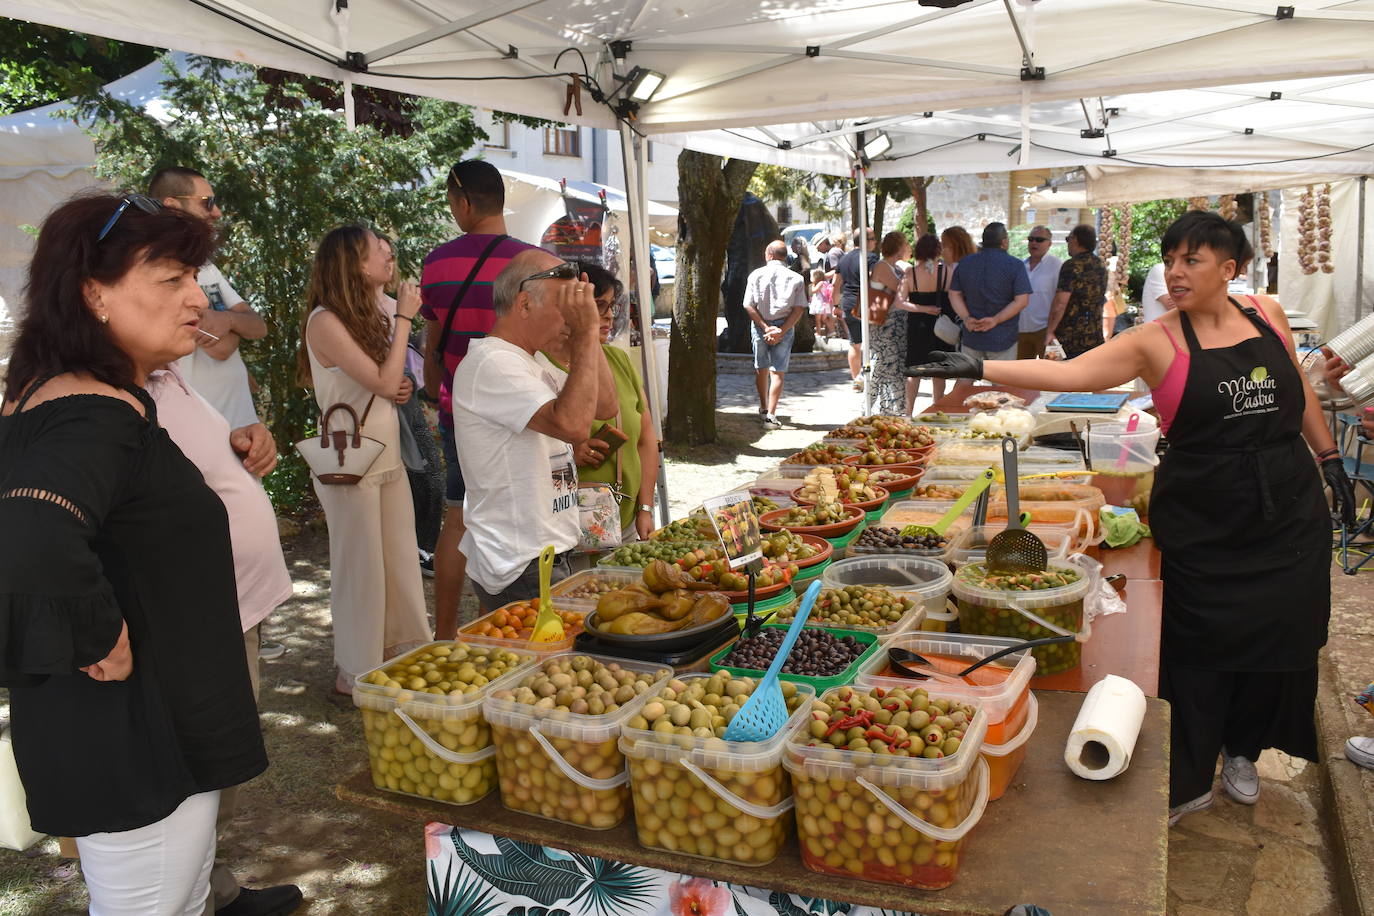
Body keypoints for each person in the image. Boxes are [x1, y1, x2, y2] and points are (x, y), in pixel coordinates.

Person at [909, 210, 1355, 825]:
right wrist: (981, 367)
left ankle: (1243, 750)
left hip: (1287, 509)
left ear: (1229, 269)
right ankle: (1190, 771)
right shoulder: (1157, 339)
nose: (1173, 272)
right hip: (1206, 514)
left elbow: (1302, 392)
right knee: (1199, 645)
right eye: (1168, 259)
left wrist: (1328, 454)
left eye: (1190, 260)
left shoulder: (1266, 314)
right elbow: (1070, 372)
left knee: (1283, 637)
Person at [0, 193, 268, 913]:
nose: (196, 298)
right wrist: (94, 629)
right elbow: (26, 532)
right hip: (134, 743)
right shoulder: (88, 410)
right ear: (93, 292)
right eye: (172, 278)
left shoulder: (75, 396)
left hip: (149, 738)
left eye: (196, 278)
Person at [145, 365, 300, 916]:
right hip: (193, 627)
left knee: (217, 779)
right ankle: (197, 899)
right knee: (193, 783)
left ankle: (214, 890)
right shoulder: (95, 389)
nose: (196, 298)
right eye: (172, 280)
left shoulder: (162, 371)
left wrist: (240, 439)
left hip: (230, 612)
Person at [299, 225, 431, 695]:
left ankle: (402, 650)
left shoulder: (378, 310)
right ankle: (354, 670)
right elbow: (380, 380)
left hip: (385, 449)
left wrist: (401, 380)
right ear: (352, 262)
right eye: (379, 250)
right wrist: (404, 321)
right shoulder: (324, 320)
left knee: (398, 559)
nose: (389, 256)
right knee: (360, 566)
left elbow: (395, 378)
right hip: (348, 456)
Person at [451, 250, 618, 610]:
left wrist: (584, 335)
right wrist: (587, 330)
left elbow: (605, 406)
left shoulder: (531, 360)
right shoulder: (492, 362)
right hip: (521, 561)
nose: (572, 316)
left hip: (545, 553)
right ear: (524, 304)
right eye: (565, 305)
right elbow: (573, 426)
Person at [420, 159, 538, 640]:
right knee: (527, 515)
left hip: (460, 410)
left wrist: (433, 393)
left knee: (457, 519)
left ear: (463, 202)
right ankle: (529, 622)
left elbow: (432, 343)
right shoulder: (533, 262)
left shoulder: (438, 263)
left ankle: (446, 633)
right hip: (528, 407)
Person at [540, 262, 659, 541]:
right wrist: (568, 452)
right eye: (598, 305)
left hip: (627, 518)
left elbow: (646, 438)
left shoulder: (618, 359)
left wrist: (645, 508)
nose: (607, 317)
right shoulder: (537, 366)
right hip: (567, 525)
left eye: (611, 306)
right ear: (569, 308)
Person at [150, 167, 268, 430]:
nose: (217, 213)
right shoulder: (158, 273)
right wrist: (233, 323)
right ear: (172, 207)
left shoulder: (206, 266)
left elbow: (258, 326)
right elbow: (222, 349)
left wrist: (225, 320)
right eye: (207, 203)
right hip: (198, 432)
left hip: (242, 427)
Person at [377, 234, 444, 576]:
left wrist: (410, 382)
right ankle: (414, 550)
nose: (389, 261)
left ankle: (423, 548)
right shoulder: (339, 316)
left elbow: (409, 362)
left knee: (430, 476)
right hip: (373, 417)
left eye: (392, 255)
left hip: (407, 405)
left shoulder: (395, 307)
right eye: (380, 254)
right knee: (411, 481)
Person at [743, 240, 807, 428]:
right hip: (784, 326)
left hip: (760, 324)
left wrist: (764, 327)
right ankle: (771, 415)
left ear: (769, 254)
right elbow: (799, 308)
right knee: (778, 372)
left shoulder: (756, 275)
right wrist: (781, 330)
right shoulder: (796, 278)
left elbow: (748, 304)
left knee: (760, 367)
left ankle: (763, 407)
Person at [947, 222, 1031, 362]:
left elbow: (953, 294)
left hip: (972, 334)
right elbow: (1022, 301)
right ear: (1004, 242)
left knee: (965, 381)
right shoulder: (1015, 265)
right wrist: (995, 320)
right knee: (1001, 382)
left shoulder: (965, 263)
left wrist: (966, 317)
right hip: (1002, 337)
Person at [905, 233, 954, 413]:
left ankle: (908, 412)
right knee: (939, 370)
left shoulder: (910, 273)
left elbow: (899, 302)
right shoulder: (948, 271)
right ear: (937, 250)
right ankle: (937, 408)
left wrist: (923, 308)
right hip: (941, 326)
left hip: (917, 326)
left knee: (914, 370)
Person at [1046, 224, 1109, 358]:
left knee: (1059, 376)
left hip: (1069, 338)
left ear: (1075, 240)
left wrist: (1050, 330)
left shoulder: (1072, 265)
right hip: (1094, 337)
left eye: (1068, 239)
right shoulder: (1100, 265)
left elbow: (1060, 303)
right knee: (1088, 377)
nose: (1068, 243)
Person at [867, 231, 913, 416]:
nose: (909, 248)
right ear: (899, 247)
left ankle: (889, 409)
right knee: (884, 367)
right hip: (885, 328)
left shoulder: (893, 267)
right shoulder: (883, 266)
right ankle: (875, 408)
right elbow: (903, 290)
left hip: (894, 328)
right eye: (906, 244)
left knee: (891, 368)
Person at [837, 227, 879, 389]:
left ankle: (856, 379)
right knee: (872, 342)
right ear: (866, 241)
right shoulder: (870, 258)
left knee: (855, 343)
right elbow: (872, 280)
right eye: (873, 238)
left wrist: (835, 305)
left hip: (848, 303)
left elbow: (836, 285)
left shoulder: (844, 259)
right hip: (865, 303)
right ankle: (871, 379)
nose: (875, 241)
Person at [1019, 225, 1062, 360]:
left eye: (1039, 239)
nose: (1034, 243)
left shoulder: (1057, 265)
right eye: (1031, 239)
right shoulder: (1020, 265)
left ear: (1050, 243)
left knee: (1053, 371)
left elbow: (1061, 300)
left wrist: (1053, 329)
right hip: (1020, 330)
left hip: (1046, 330)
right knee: (1020, 375)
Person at [808, 267, 835, 338]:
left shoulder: (820, 283)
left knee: (818, 320)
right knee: (824, 319)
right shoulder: (826, 283)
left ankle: (818, 333)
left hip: (820, 304)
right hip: (826, 304)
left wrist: (813, 285)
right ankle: (831, 331)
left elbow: (814, 290)